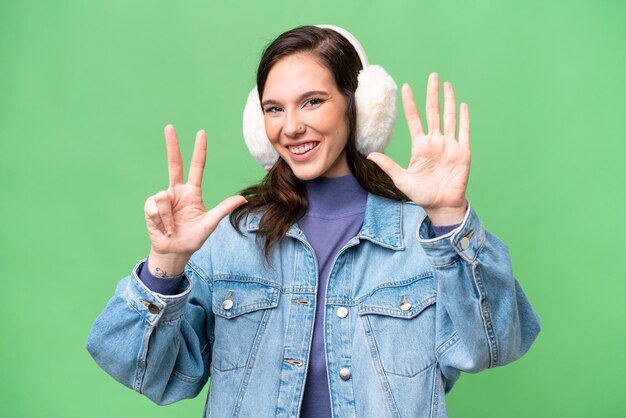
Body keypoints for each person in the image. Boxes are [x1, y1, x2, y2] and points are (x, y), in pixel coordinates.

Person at [86, 24, 541, 417]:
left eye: (312, 101)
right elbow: (145, 372)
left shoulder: (421, 238)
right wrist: (165, 265)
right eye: (274, 108)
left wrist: (447, 218)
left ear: (356, 106)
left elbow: (495, 344)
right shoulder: (231, 240)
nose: (291, 127)